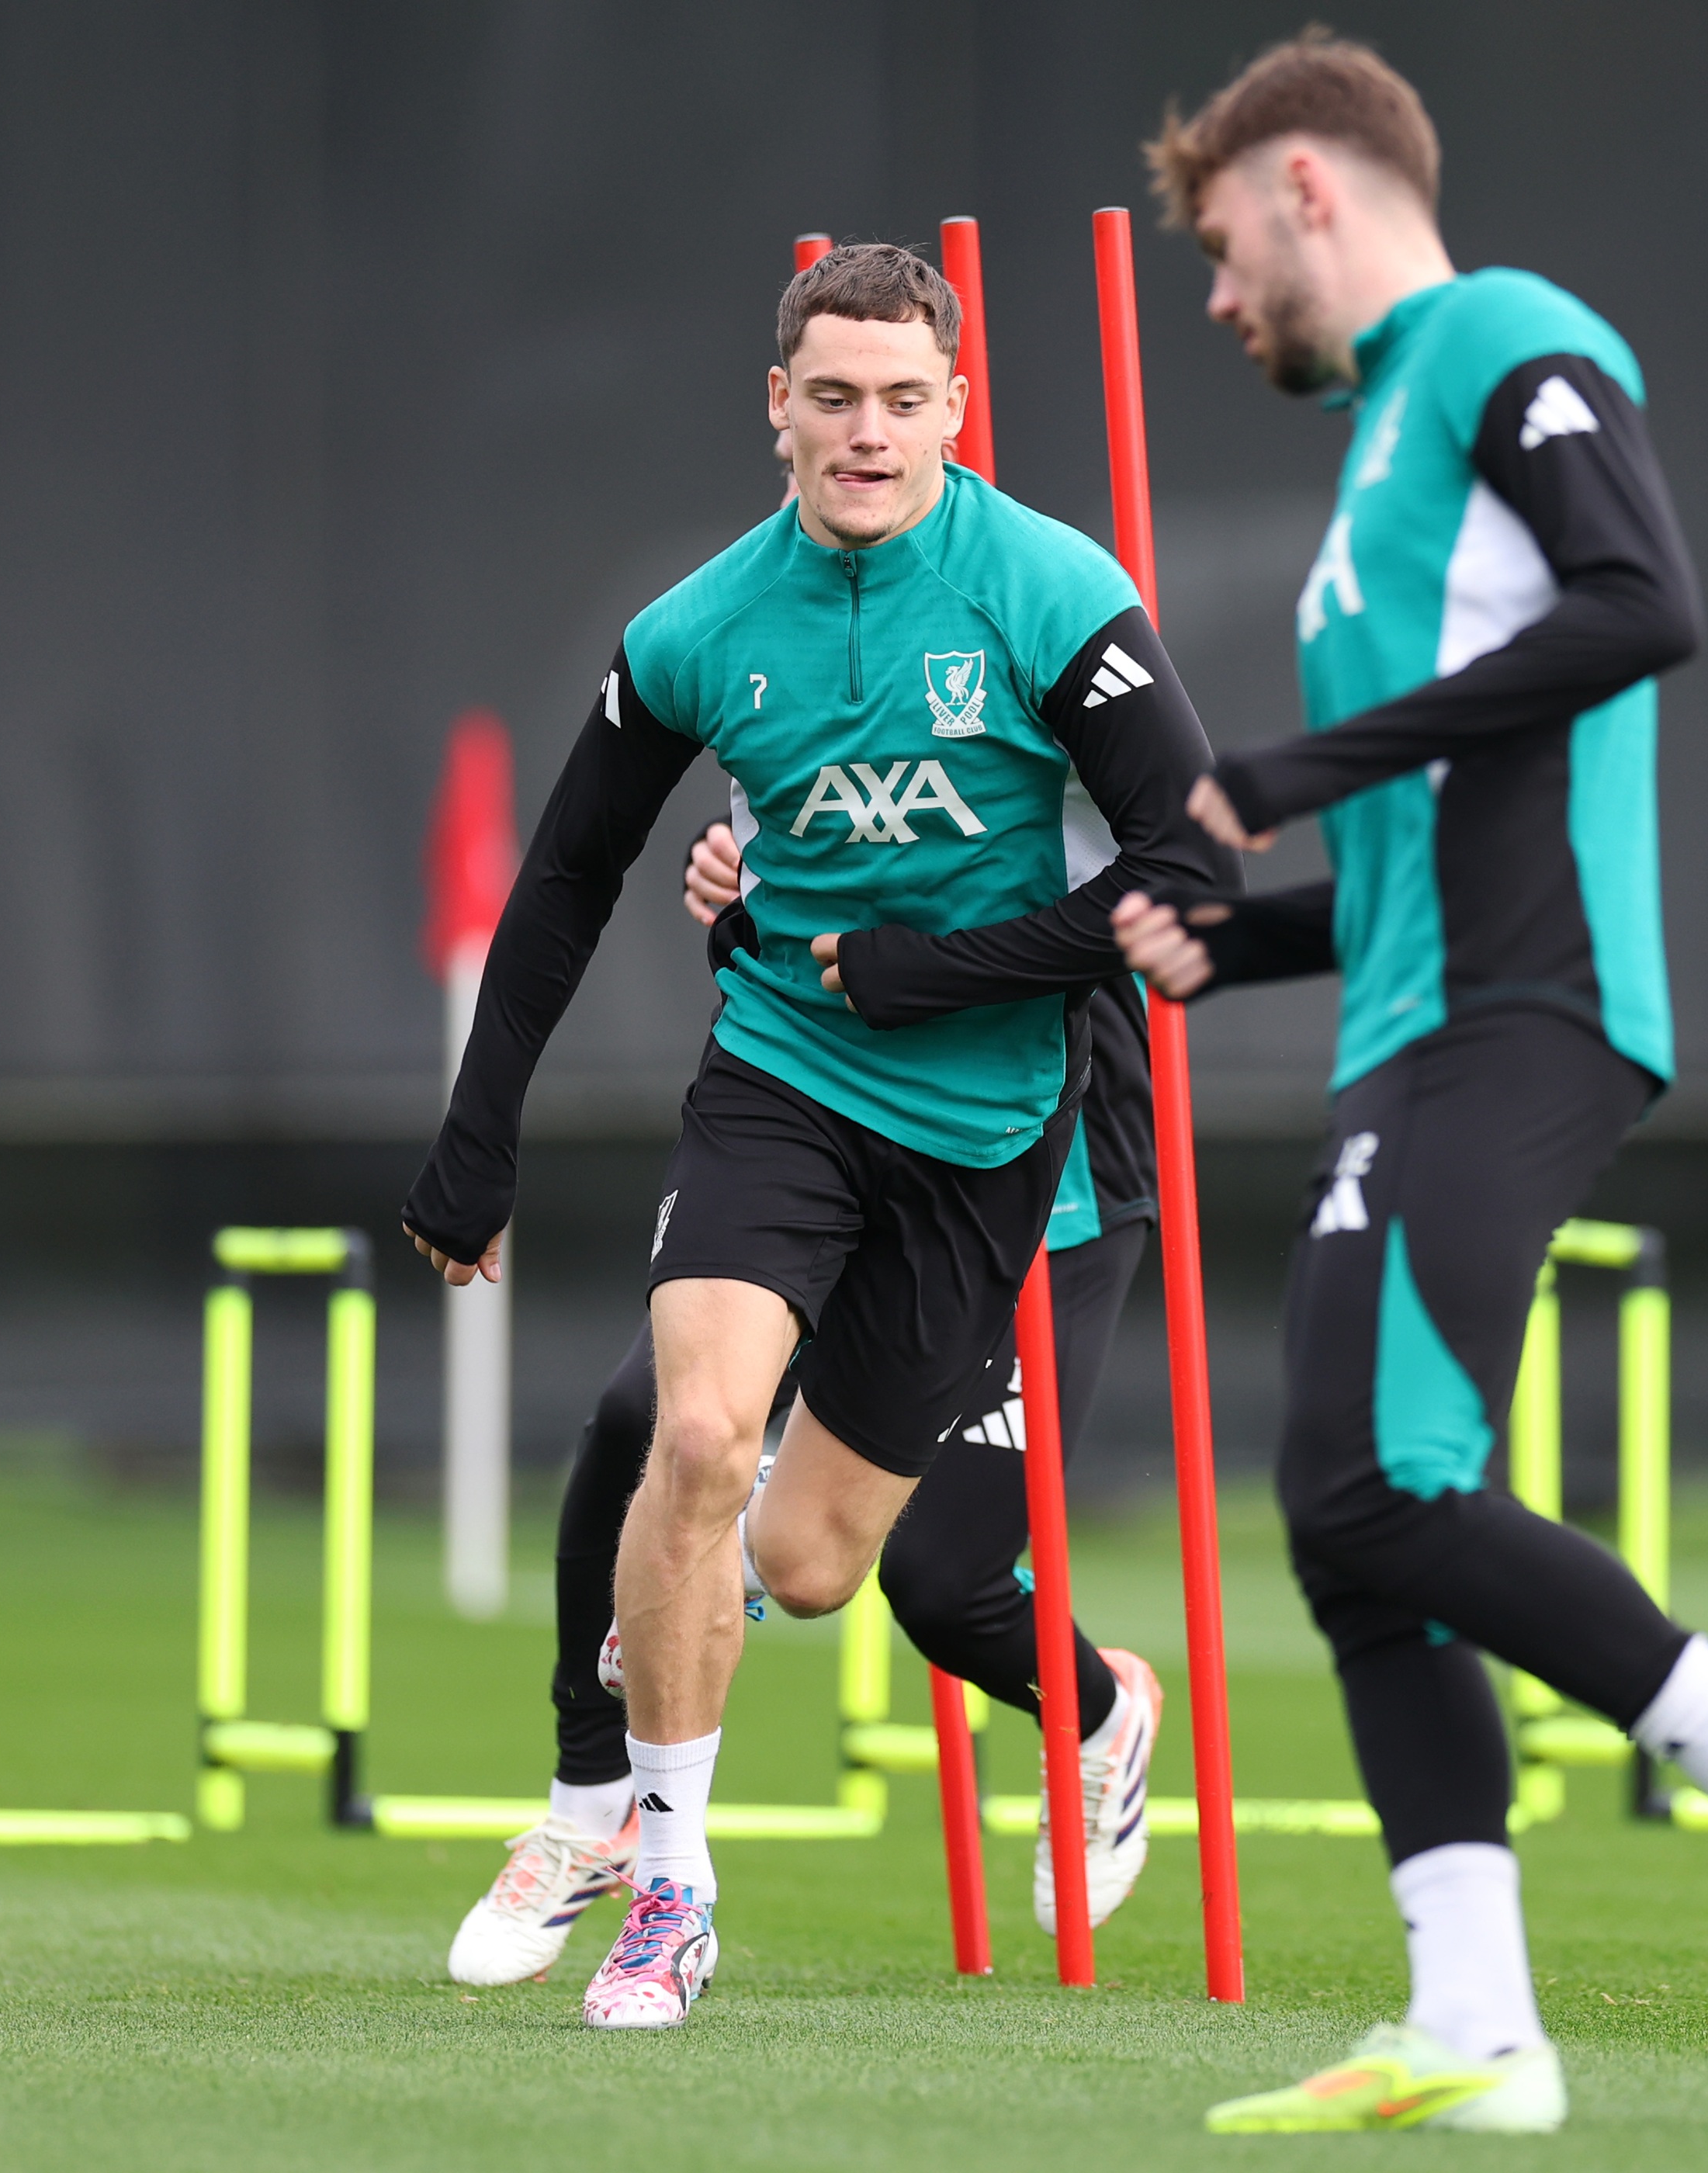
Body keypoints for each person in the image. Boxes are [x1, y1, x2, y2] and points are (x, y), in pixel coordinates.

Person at [1107, 34, 1708, 2130]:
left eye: (1224, 245)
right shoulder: (1383, 436)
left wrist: (1289, 772)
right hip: (1422, 1016)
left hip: (1525, 1013)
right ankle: (1475, 2025)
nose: (1217, 297)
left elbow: (1646, 602)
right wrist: (1234, 935)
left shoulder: (1500, 336)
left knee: (1387, 1478)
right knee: (1344, 1511)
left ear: (1310, 184)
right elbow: (1430, 834)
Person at [404, 240, 1233, 2031]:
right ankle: (655, 1869)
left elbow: (1198, 871)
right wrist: (479, 1134)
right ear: (777, 406)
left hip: (998, 1125)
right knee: (686, 1431)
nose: (869, 433)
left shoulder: (1047, 588)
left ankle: (1101, 1711)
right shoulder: (700, 625)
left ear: (956, 409)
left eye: (904, 401)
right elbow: (568, 871)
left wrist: (939, 970)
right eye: (835, 397)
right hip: (782, 1078)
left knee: (823, 1564)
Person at [443, 816, 1171, 1988]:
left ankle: (1099, 1714)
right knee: (646, 1422)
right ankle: (592, 1807)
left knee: (939, 1581)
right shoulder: (819, 740)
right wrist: (746, 864)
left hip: (1048, 1205)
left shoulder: (1057, 779)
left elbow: (1142, 876)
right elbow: (783, 914)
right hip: (841, 1155)